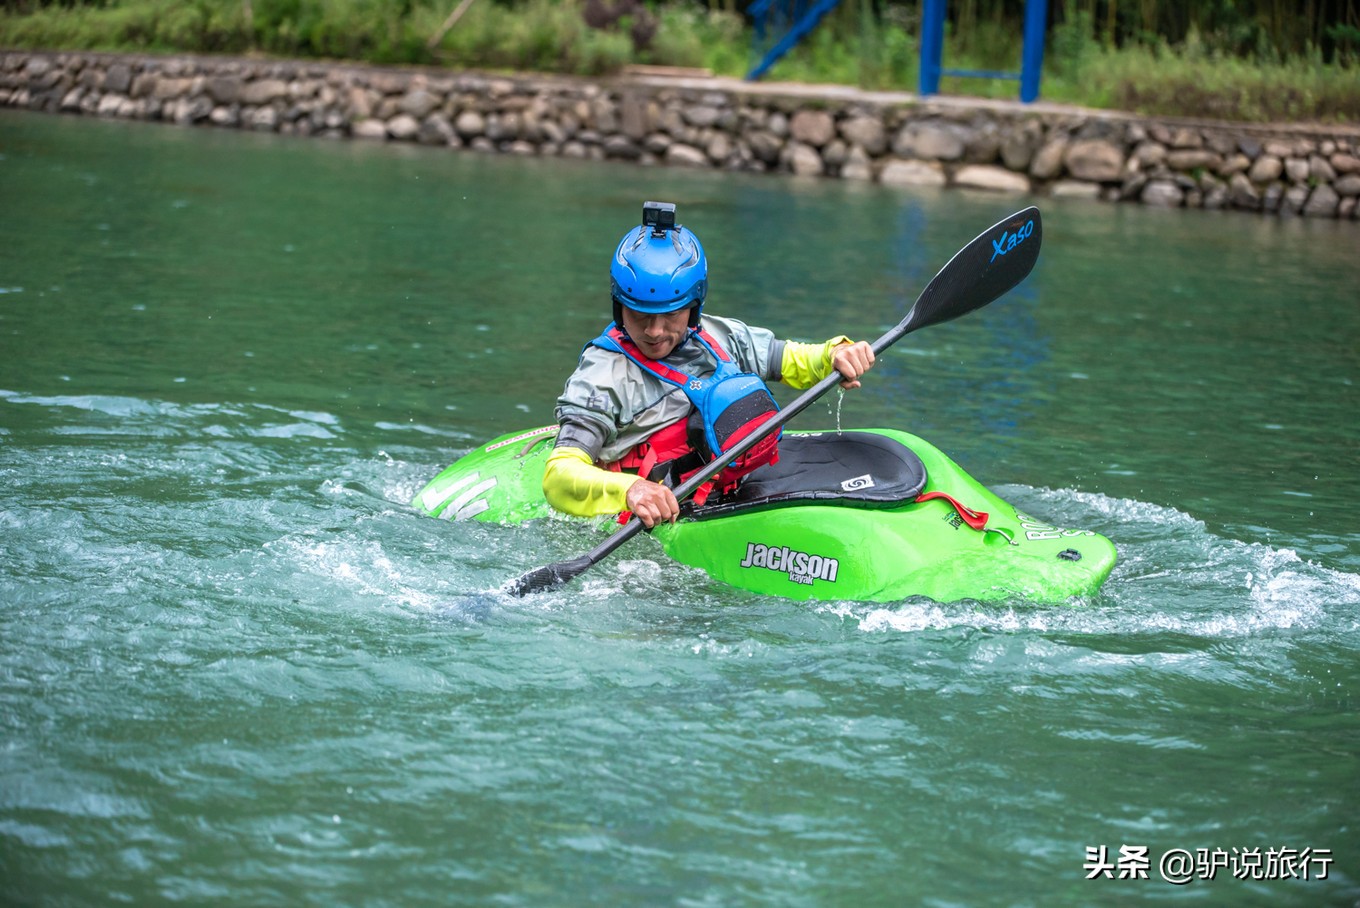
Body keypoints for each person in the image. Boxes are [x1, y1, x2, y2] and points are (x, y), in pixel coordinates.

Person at [544, 201, 876, 528]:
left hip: (725, 493)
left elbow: (792, 360)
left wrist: (835, 353)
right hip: (648, 516)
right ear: (619, 306)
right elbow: (559, 476)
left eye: (671, 314)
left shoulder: (721, 336)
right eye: (639, 313)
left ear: (694, 306)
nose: (654, 331)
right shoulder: (603, 377)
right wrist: (632, 490)